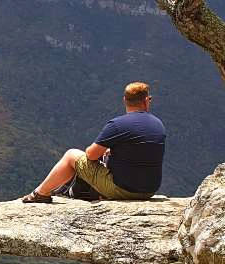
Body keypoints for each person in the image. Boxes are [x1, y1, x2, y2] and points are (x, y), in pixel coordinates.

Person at [21, 82, 166, 203]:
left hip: (124, 190)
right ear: (146, 101)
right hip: (149, 190)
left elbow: (91, 155)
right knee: (104, 156)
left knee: (72, 155)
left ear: (124, 100)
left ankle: (41, 193)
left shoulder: (118, 124)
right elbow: (142, 153)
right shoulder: (158, 124)